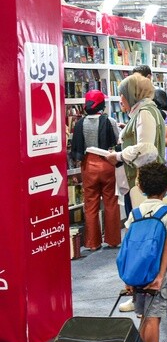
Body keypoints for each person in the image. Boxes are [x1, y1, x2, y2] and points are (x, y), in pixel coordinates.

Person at [106, 73, 166, 313]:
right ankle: (154, 294)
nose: (120, 99)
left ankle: (142, 296)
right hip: (146, 182)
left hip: (144, 184)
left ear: (133, 94)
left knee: (142, 240)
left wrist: (119, 156)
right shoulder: (147, 110)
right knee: (151, 239)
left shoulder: (144, 112)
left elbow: (147, 148)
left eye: (123, 93)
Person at [124, 162, 167, 342]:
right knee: (153, 319)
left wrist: (127, 279)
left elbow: (128, 248)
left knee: (143, 318)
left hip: (136, 273)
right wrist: (160, 275)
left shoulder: (135, 214)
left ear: (140, 187)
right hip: (156, 274)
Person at [69, 89, 120, 250]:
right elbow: (118, 141)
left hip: (88, 165)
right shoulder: (109, 121)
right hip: (107, 163)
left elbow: (76, 149)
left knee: (90, 204)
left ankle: (92, 243)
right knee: (111, 202)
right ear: (102, 104)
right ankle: (112, 240)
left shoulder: (79, 123)